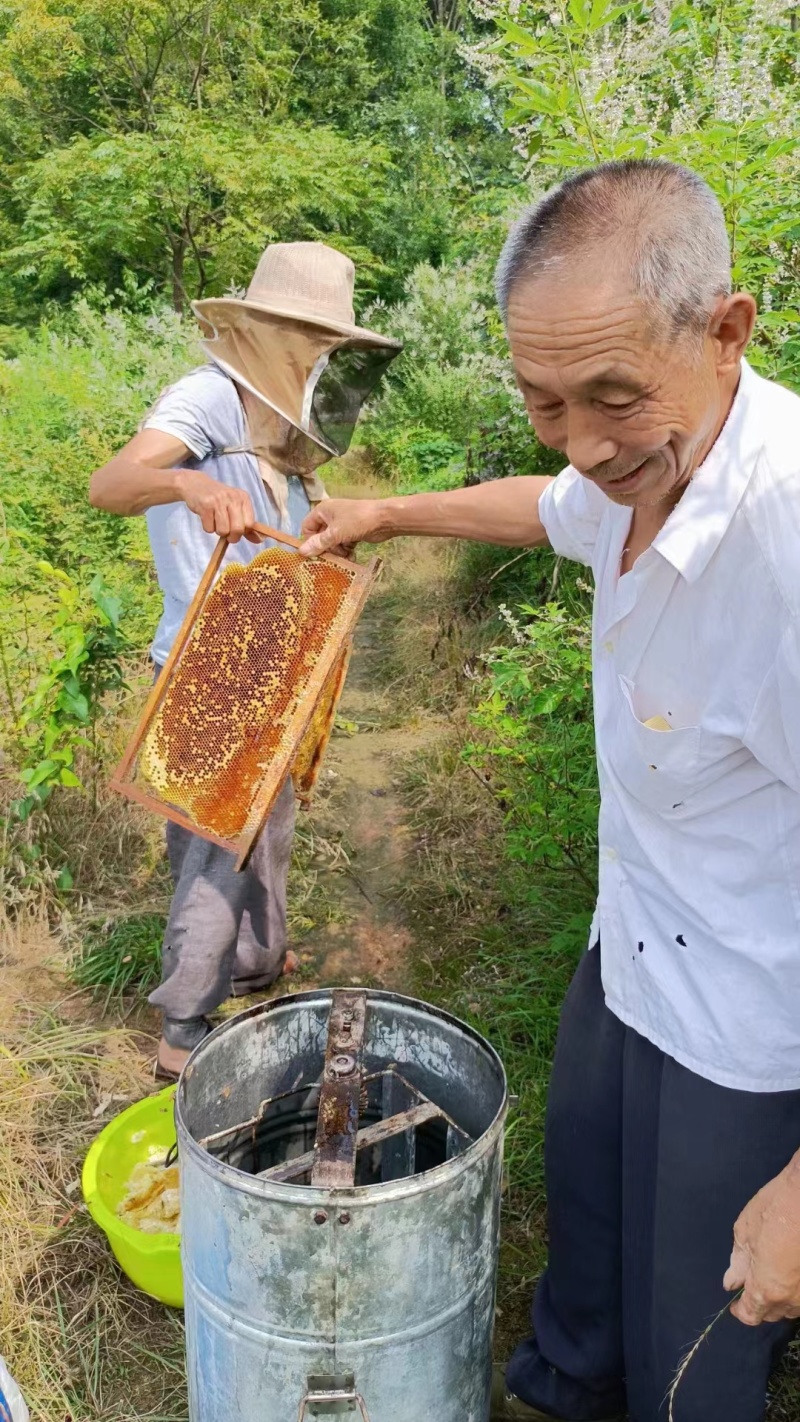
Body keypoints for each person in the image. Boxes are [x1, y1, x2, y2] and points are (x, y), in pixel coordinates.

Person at [298, 160, 800, 1422]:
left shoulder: (783, 546)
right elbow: (552, 506)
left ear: (727, 329)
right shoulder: (624, 471)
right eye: (541, 402)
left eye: (613, 398)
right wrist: (385, 514)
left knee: (695, 1343)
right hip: (630, 945)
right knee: (584, 1241)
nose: (581, 442)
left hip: (751, 1024)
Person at [90, 241, 400, 1080]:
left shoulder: (283, 429)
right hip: (212, 668)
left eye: (327, 343)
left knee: (269, 830)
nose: (319, 357)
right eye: (309, 339)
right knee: (214, 849)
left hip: (278, 661)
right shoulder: (206, 398)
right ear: (267, 330)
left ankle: (257, 965)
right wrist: (190, 487)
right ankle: (182, 1033)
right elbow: (111, 484)